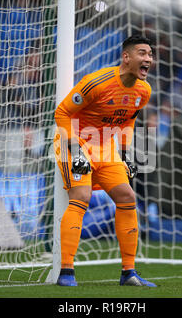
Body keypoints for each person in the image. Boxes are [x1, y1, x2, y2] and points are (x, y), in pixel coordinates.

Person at [53, 35, 156, 287]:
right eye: (143, 53)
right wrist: (76, 150)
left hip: (106, 147)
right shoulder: (97, 82)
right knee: (81, 196)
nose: (149, 59)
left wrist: (124, 151)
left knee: (127, 197)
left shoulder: (144, 91)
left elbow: (129, 119)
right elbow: (62, 112)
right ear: (126, 57)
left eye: (151, 55)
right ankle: (66, 271)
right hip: (74, 141)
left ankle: (128, 273)